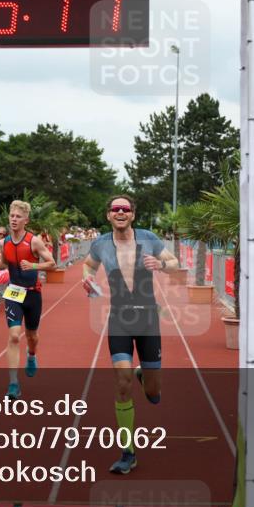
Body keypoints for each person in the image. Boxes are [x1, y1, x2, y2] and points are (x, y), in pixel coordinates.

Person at [82, 195, 178, 474]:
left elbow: (173, 262)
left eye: (125, 209)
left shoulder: (148, 238)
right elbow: (88, 265)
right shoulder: (100, 243)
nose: (120, 212)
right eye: (115, 209)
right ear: (108, 215)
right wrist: (87, 279)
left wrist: (160, 265)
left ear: (132, 215)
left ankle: (144, 376)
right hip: (119, 319)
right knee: (121, 381)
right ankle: (128, 451)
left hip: (148, 319)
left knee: (153, 390)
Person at [0, 200, 55, 399]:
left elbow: (52, 263)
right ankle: (14, 383)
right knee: (15, 336)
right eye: (12, 216)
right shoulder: (5, 242)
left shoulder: (34, 241)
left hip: (33, 294)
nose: (14, 219)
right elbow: (3, 264)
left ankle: (31, 355)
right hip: (14, 293)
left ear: (26, 220)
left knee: (32, 336)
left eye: (18, 217)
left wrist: (33, 266)